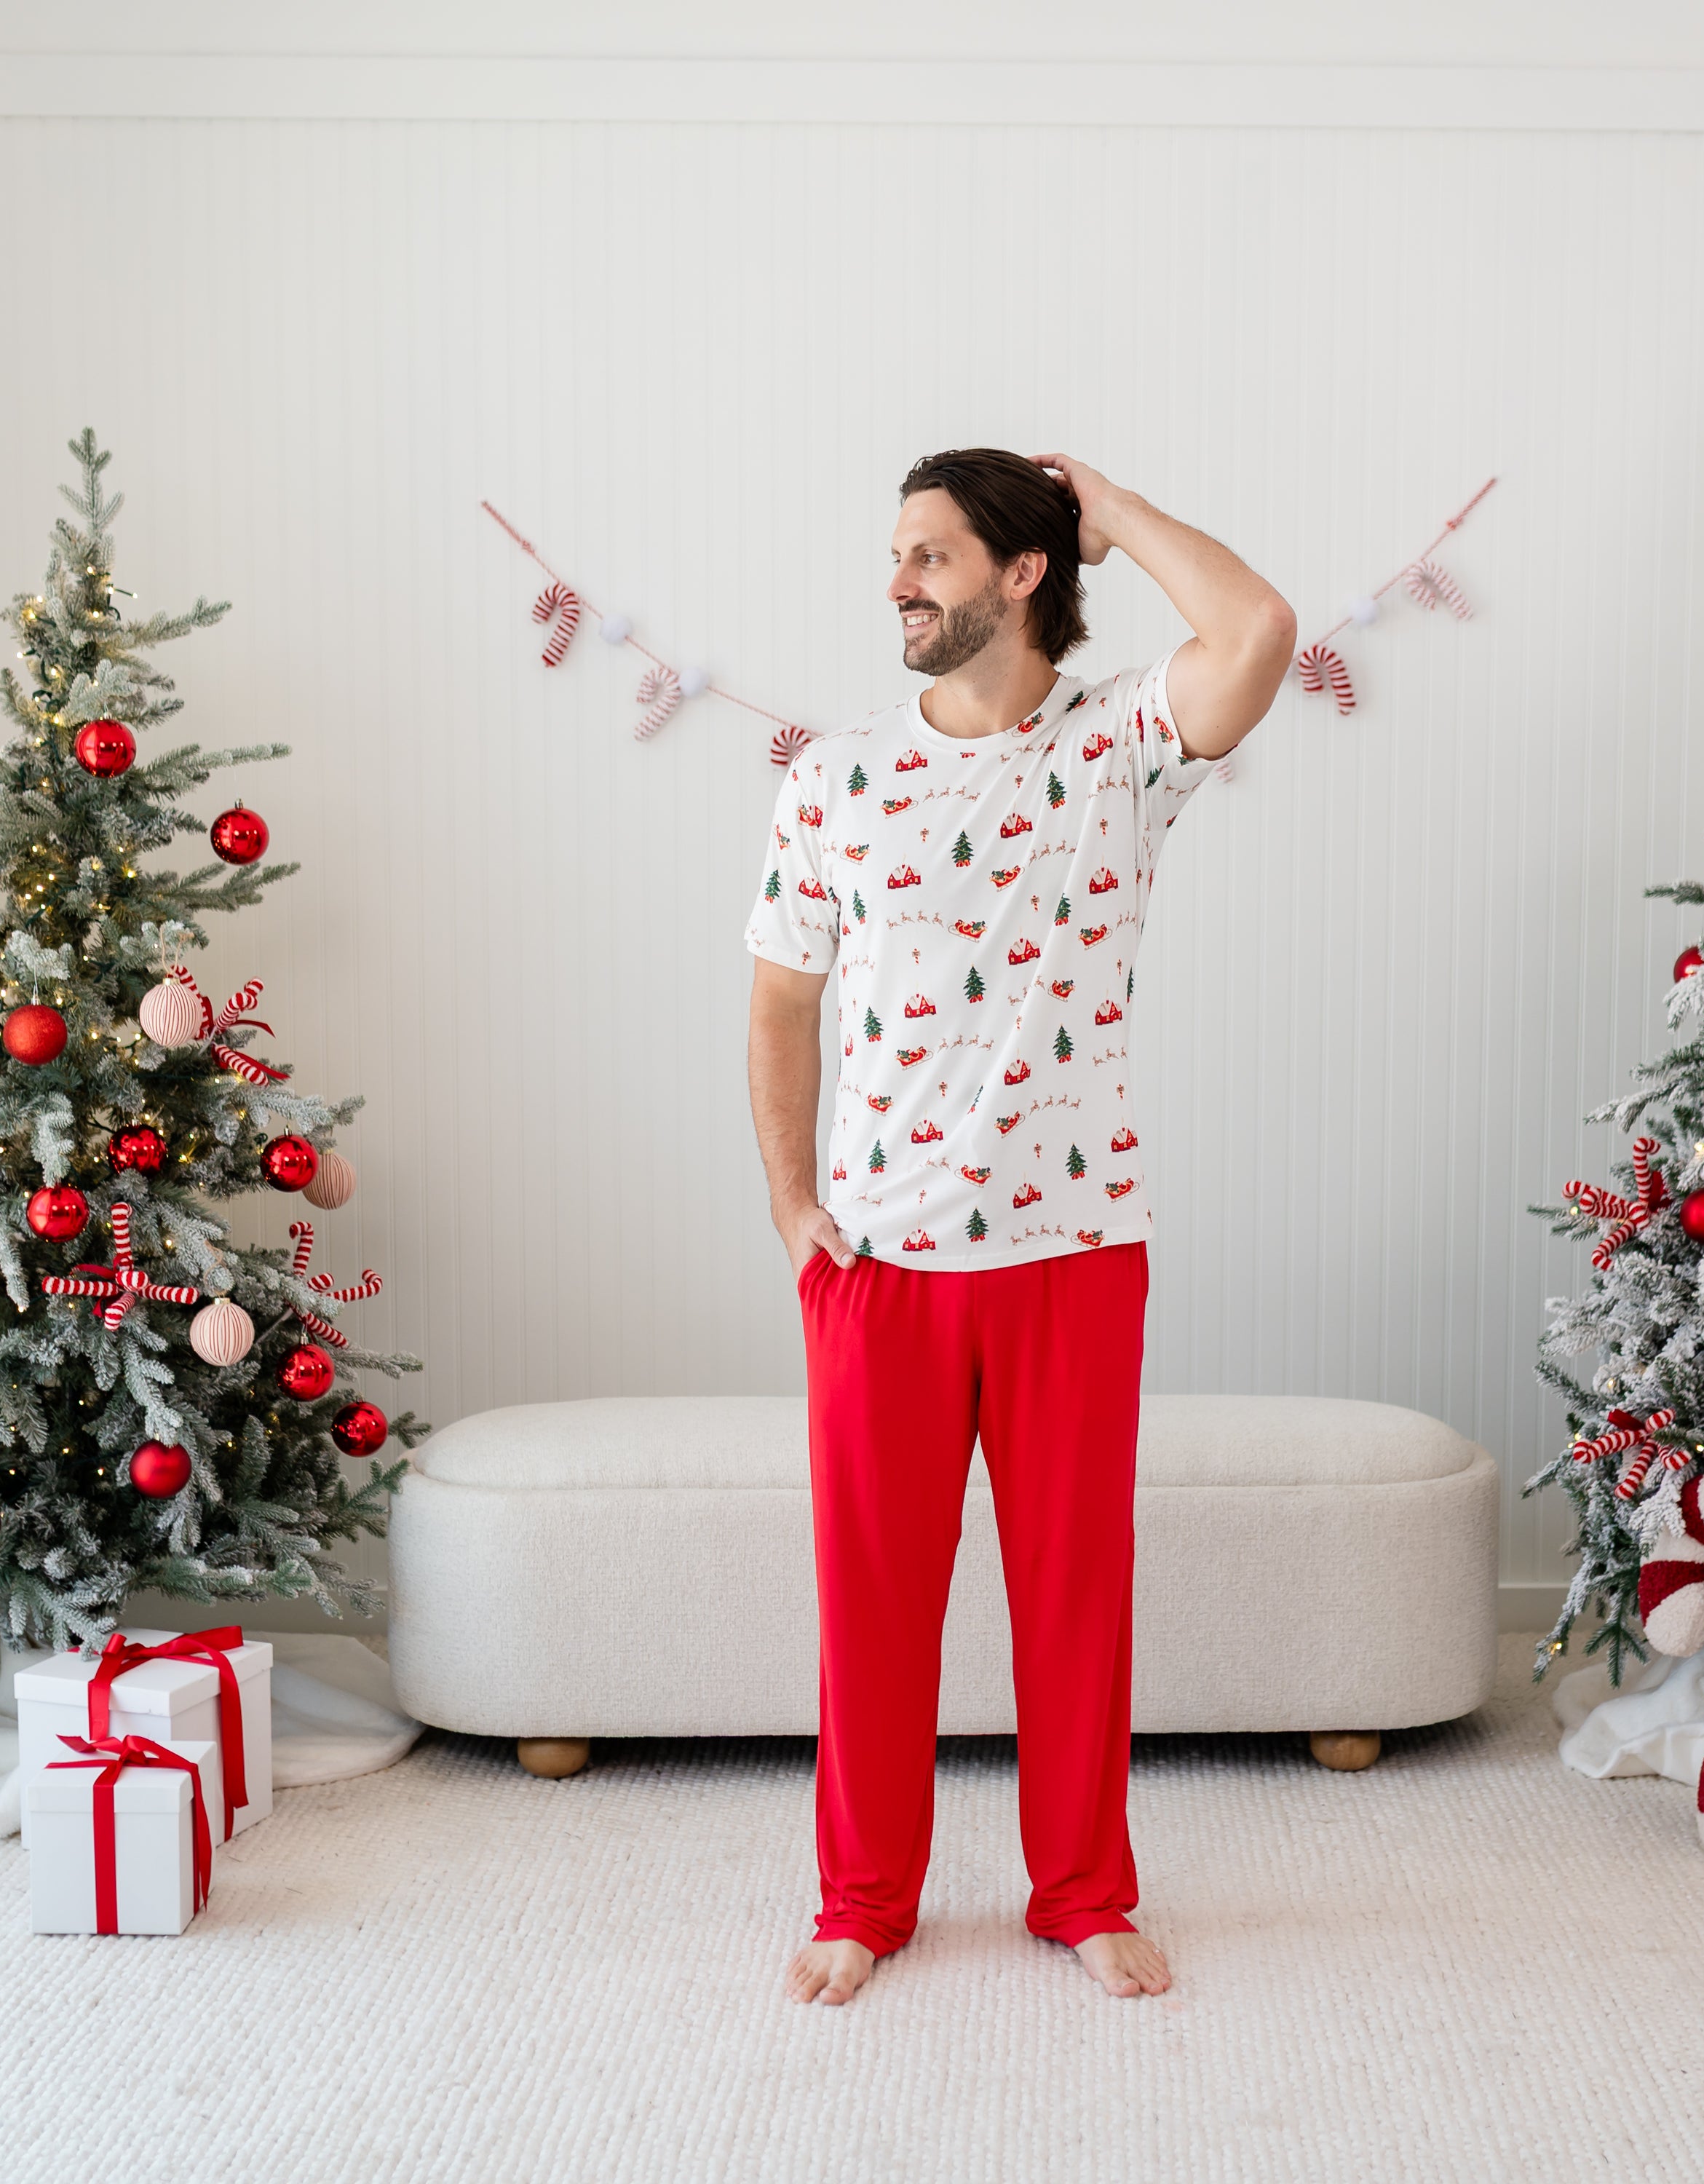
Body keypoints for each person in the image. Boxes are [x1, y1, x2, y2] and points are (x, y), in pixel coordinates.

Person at [743, 448, 1293, 2006]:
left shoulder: (1122, 742)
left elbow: (1257, 626)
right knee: (872, 1608)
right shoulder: (835, 777)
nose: (899, 580)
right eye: (896, 554)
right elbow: (781, 1000)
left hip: (1071, 1250)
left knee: (1071, 1598)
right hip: (881, 1263)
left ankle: (1083, 1893)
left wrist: (1107, 506)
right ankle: (862, 1902)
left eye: (931, 554)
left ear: (1021, 575)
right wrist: (794, 1203)